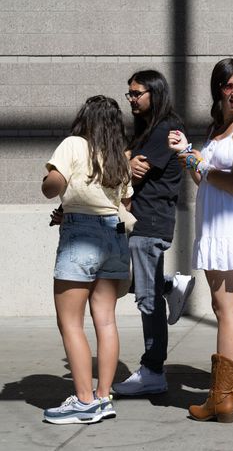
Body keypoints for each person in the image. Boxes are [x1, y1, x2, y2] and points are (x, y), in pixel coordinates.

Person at [169, 58, 233, 423]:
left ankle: (221, 397)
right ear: (218, 89)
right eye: (229, 86)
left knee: (225, 310)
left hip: (230, 227)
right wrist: (188, 157)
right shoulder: (218, 127)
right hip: (215, 223)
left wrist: (201, 164)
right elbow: (205, 181)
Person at [41, 96, 132, 424]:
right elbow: (125, 205)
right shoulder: (119, 158)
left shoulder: (73, 144)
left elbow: (53, 186)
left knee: (70, 322)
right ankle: (104, 396)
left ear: (86, 118)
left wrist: (50, 180)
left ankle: (83, 400)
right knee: (105, 320)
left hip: (82, 236)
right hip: (115, 234)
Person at [112, 70, 194, 397]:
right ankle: (172, 285)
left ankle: (153, 369)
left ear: (154, 94)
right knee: (121, 280)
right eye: (129, 93)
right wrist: (126, 161)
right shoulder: (147, 130)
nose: (130, 99)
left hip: (150, 222)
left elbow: (131, 168)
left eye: (137, 93)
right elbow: (125, 166)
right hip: (139, 222)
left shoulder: (166, 130)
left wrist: (125, 162)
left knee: (148, 299)